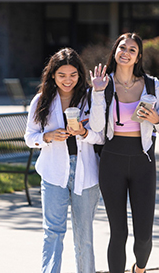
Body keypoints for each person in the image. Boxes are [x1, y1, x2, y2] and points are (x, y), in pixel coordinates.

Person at [89, 33, 159, 273]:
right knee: (118, 232)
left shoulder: (151, 85)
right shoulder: (102, 84)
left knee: (144, 237)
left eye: (132, 50)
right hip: (112, 161)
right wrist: (96, 92)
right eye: (122, 47)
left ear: (138, 57)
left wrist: (156, 119)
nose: (126, 52)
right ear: (115, 51)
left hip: (143, 162)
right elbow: (95, 127)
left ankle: (140, 268)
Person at [25, 48, 103, 273]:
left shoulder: (90, 98)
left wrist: (83, 133)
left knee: (84, 236)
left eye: (73, 75)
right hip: (53, 174)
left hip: (86, 174)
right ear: (52, 75)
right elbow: (30, 137)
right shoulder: (41, 100)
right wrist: (48, 137)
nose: (67, 80)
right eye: (62, 75)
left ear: (80, 74)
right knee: (53, 232)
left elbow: (101, 134)